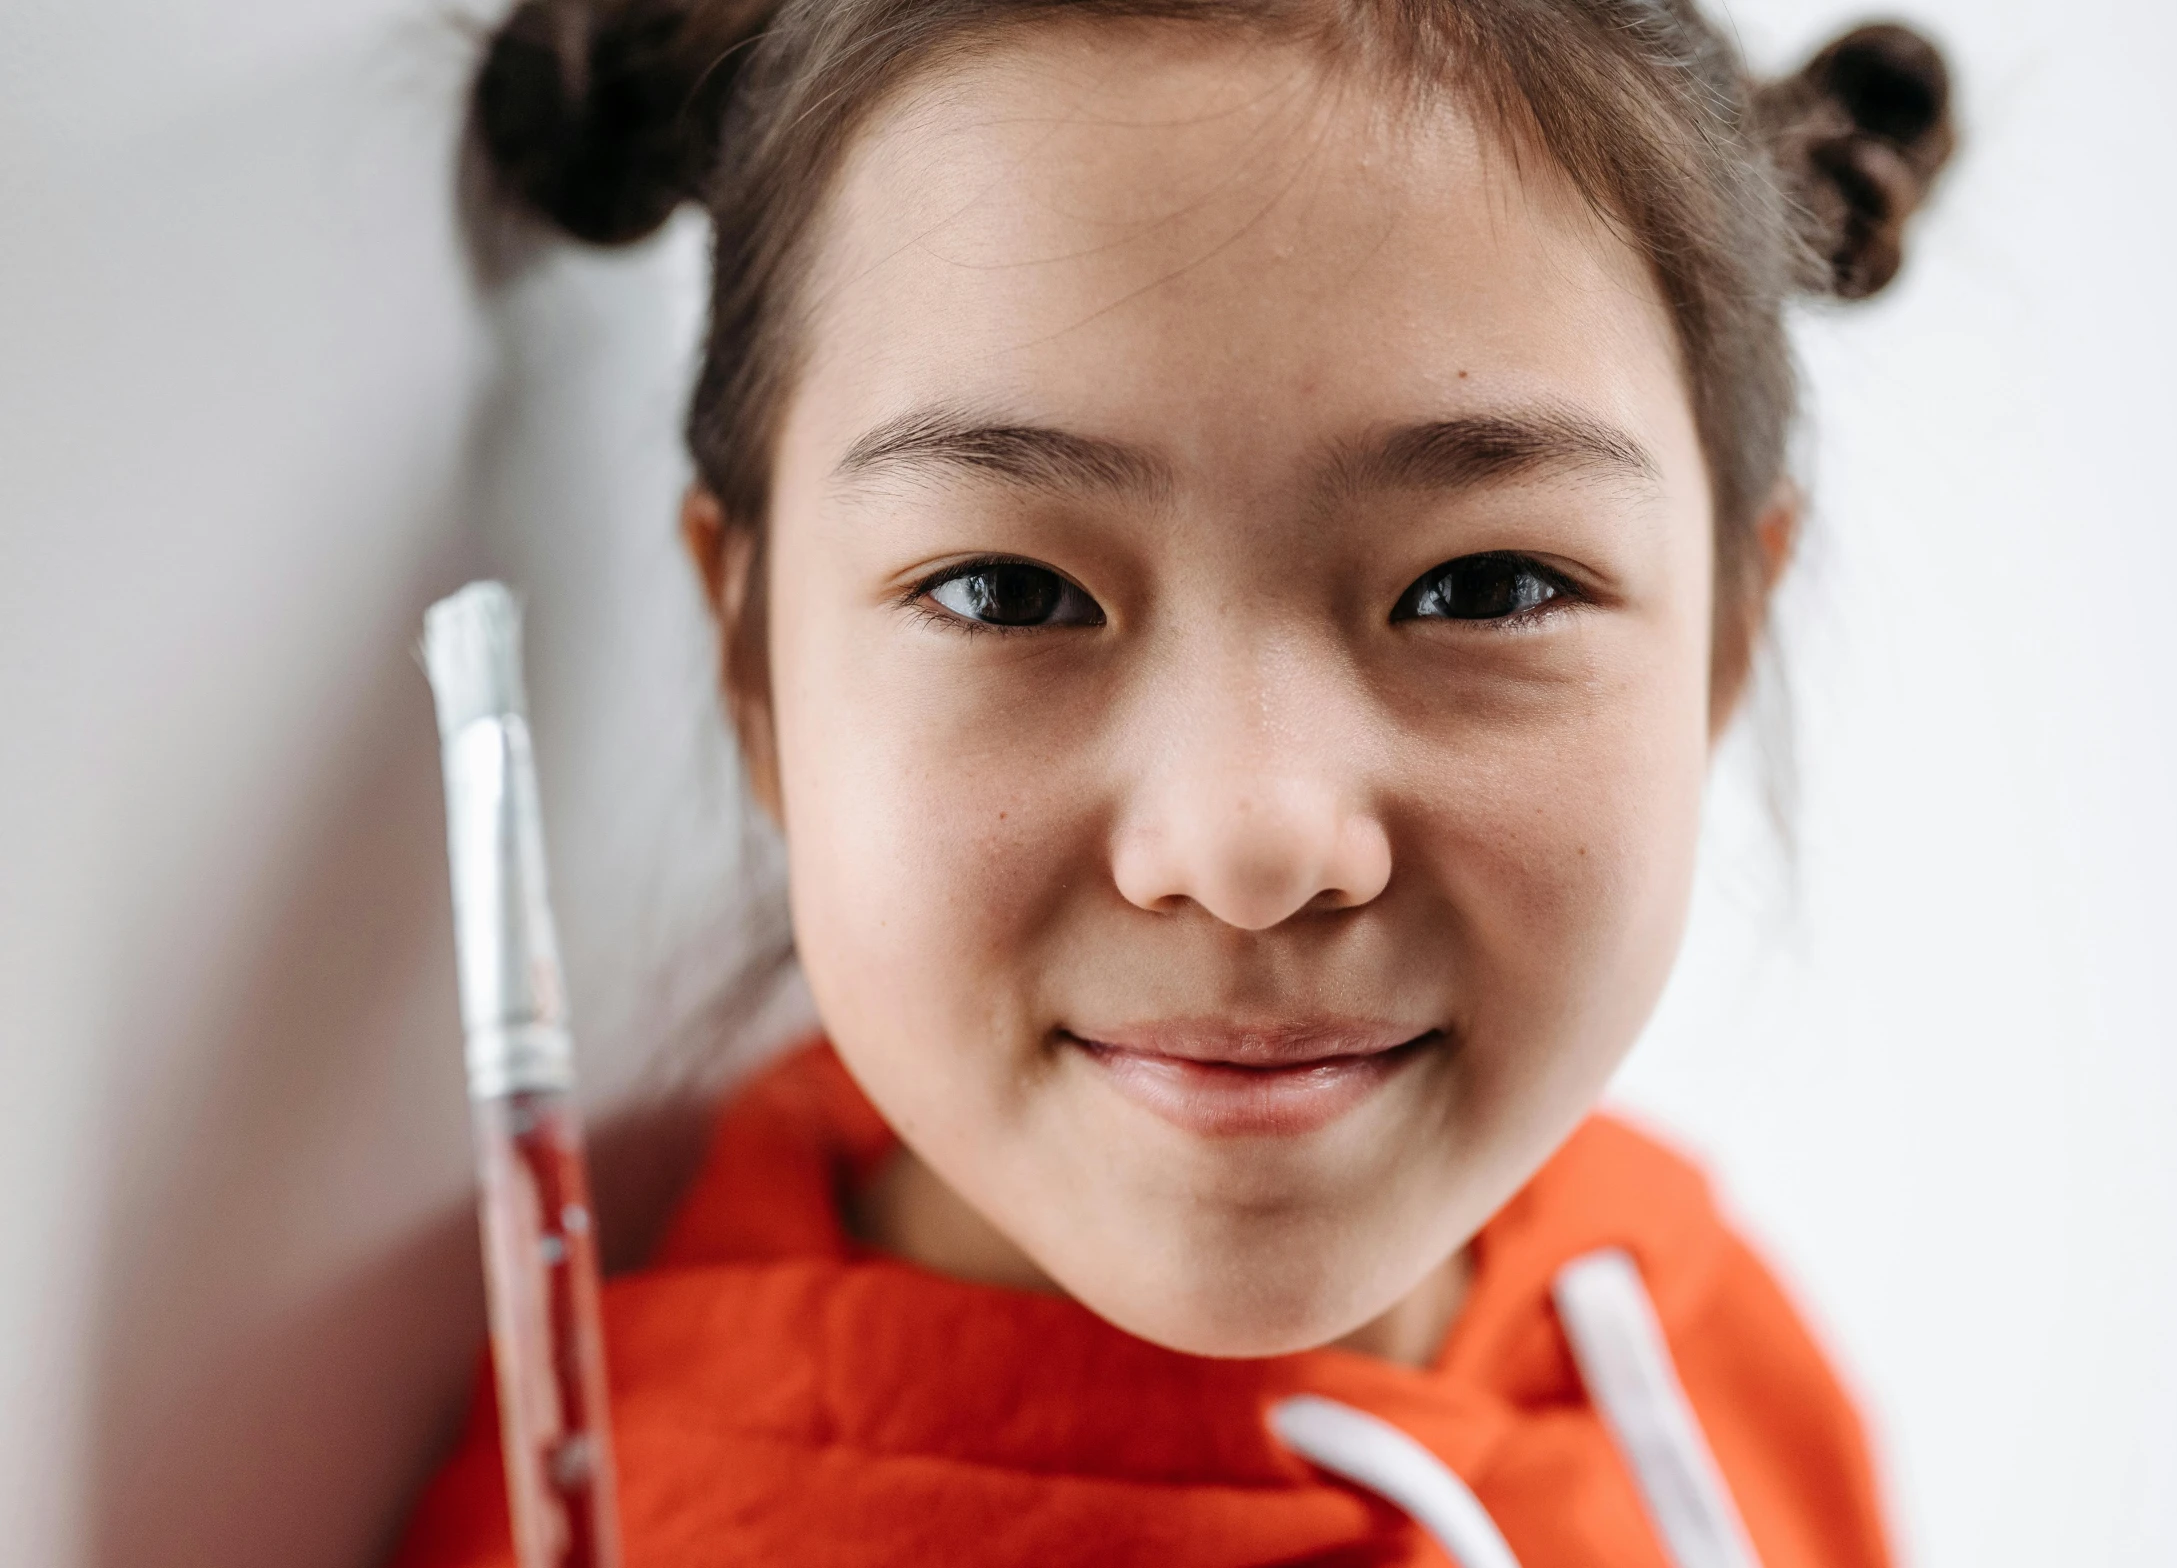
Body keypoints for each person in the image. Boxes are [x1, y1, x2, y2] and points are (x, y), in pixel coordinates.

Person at [397, 1, 1954, 1561]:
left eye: (1482, 588)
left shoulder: (1709, 1343)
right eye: (1009, 593)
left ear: (1723, 647)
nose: (1250, 840)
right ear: (755, 665)